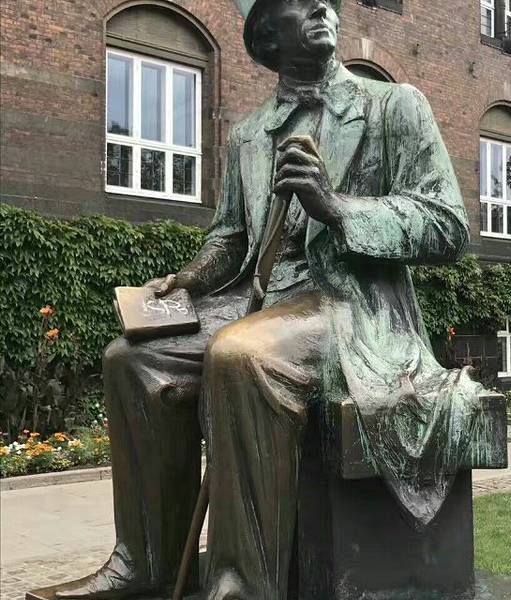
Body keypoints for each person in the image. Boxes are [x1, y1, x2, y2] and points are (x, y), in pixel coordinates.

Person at [54, 1, 484, 599]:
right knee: (131, 360)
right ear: (266, 37)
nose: (322, 8)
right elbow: (231, 236)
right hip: (258, 300)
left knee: (241, 355)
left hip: (349, 305)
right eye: (299, 3)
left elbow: (446, 225)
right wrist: (190, 279)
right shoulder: (249, 134)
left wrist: (337, 208)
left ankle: (241, 586)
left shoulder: (393, 106)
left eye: (326, 1)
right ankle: (149, 560)